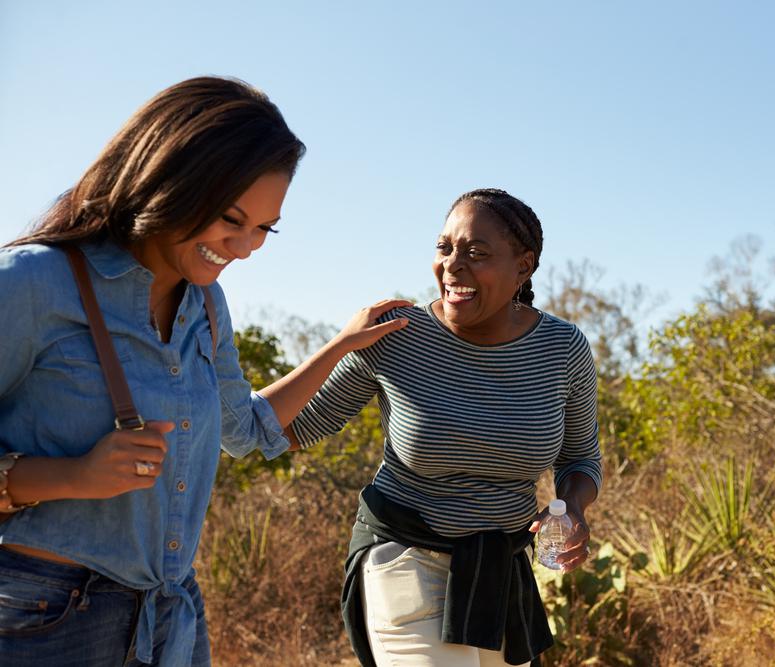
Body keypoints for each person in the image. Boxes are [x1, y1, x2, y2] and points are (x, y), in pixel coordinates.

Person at [0, 76, 410, 666]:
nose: (244, 247)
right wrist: (72, 476)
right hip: (43, 619)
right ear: (173, 182)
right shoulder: (35, 283)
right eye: (230, 218)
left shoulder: (205, 305)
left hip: (170, 619)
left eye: (264, 229)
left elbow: (244, 429)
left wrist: (342, 345)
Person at [285, 188, 602, 667]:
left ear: (524, 266)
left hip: (498, 574)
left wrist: (573, 507)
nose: (453, 266)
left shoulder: (561, 348)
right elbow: (293, 428)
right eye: (444, 248)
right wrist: (337, 346)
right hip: (406, 558)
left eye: (476, 254)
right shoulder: (396, 334)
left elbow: (580, 458)